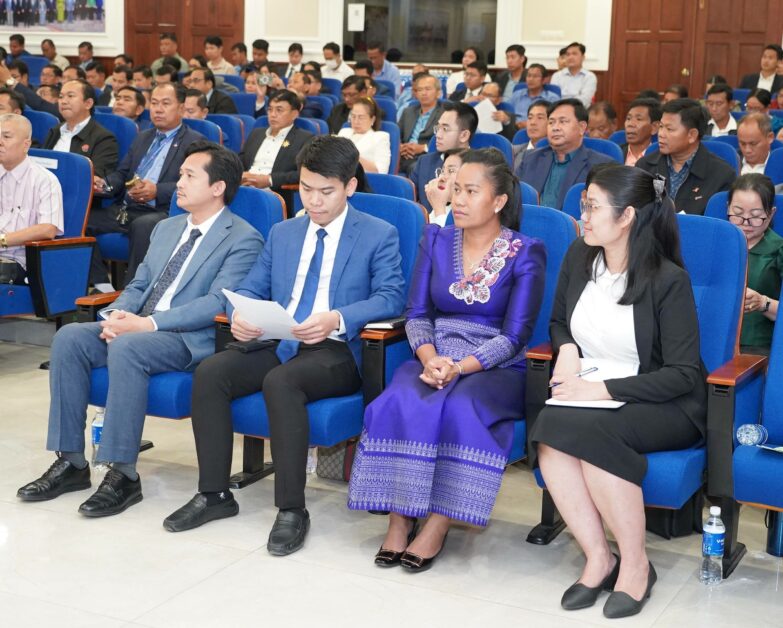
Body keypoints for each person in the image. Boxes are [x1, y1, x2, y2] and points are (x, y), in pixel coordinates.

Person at [163, 136, 406, 557]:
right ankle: (214, 494)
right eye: (306, 189)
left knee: (282, 382)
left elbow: (391, 296)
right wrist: (241, 315)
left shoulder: (377, 233)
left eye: (326, 191)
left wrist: (337, 317)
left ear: (350, 186)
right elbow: (250, 288)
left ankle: (292, 509)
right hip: (279, 339)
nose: (314, 201)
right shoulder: (283, 232)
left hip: (335, 349)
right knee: (212, 372)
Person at [16, 142, 264, 516]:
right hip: (138, 325)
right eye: (180, 174)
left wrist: (146, 324)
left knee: (128, 347)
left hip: (185, 338)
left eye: (189, 175)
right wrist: (117, 316)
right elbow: (138, 284)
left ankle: (123, 473)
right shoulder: (166, 228)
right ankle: (71, 462)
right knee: (69, 337)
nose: (178, 182)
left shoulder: (243, 238)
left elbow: (216, 302)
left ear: (218, 187)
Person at [348, 148, 546, 571]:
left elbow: (515, 336)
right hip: (434, 354)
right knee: (400, 399)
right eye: (456, 190)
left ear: (499, 200)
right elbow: (417, 313)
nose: (458, 199)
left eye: (471, 191)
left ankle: (438, 524)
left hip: (495, 365)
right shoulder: (435, 239)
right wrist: (431, 358)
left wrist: (459, 366)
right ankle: (400, 520)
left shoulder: (525, 251)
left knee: (460, 405)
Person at [529, 164, 706, 619]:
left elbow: (683, 374)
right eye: (583, 206)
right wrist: (567, 349)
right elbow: (559, 321)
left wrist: (599, 390)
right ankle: (598, 558)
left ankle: (636, 564)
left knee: (595, 433)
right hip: (594, 388)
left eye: (592, 208)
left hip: (666, 402)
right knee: (549, 428)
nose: (583, 217)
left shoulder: (667, 279)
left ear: (626, 216)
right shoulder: (580, 255)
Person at [89, 83, 204, 290]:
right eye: (155, 103)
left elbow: (196, 183)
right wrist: (105, 184)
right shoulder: (143, 137)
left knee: (143, 226)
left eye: (165, 104)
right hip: (128, 208)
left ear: (180, 108)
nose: (158, 109)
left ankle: (133, 293)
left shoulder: (194, 142)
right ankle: (102, 286)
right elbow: (122, 174)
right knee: (81, 219)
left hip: (163, 211)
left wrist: (157, 190)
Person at [635, 98, 736, 215]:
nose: (661, 134)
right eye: (661, 127)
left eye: (669, 129)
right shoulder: (644, 167)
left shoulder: (722, 175)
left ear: (692, 135)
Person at [0, 113, 63, 284]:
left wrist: (2, 240)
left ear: (26, 145)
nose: (0, 142)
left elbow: (47, 229)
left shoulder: (45, 180)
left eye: (6, 137)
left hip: (18, 262)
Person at [518, 98, 614, 209]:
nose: (555, 128)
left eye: (563, 121)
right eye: (551, 122)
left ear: (582, 127)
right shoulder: (530, 158)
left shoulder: (601, 166)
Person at [727, 174, 782, 355]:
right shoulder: (715, 245)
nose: (746, 223)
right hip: (710, 339)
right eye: (737, 214)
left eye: (756, 216)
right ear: (727, 208)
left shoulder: (778, 250)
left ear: (771, 213)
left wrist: (763, 303)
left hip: (758, 348)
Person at [43, 78, 119, 209]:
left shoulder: (104, 138)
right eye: (61, 96)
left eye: (70, 96)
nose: (63, 101)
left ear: (88, 103)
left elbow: (95, 179)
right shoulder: (54, 131)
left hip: (76, 203)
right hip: (46, 196)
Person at [239, 89, 313, 211]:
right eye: (270, 109)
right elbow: (240, 161)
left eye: (279, 110)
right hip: (244, 189)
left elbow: (304, 173)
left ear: (294, 114)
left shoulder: (305, 138)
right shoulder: (256, 134)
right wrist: (239, 175)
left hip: (276, 195)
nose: (273, 115)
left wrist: (269, 180)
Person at [410, 101, 477, 211]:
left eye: (445, 129)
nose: (438, 135)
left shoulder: (479, 167)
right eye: (438, 128)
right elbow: (411, 204)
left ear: (464, 135)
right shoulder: (424, 162)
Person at [398, 74, 445, 175]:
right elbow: (397, 135)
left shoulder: (445, 113)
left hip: (427, 157)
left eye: (428, 89)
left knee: (416, 167)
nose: (423, 93)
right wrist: (401, 147)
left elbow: (447, 140)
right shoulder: (408, 111)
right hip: (404, 155)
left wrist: (423, 148)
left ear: (438, 93)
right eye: (419, 90)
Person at [337, 97, 391, 174]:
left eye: (361, 117)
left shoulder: (380, 138)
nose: (356, 121)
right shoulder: (344, 132)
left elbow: (381, 171)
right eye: (353, 116)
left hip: (365, 178)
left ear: (372, 119)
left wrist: (354, 157)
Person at [423, 147, 466, 226]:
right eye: (442, 171)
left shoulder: (472, 213)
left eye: (451, 171)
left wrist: (439, 208)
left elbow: (446, 234)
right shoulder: (447, 208)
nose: (442, 178)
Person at [550, 42, 597, 108]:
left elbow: (585, 100)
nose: (570, 57)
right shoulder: (556, 76)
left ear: (583, 57)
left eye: (574, 54)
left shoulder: (590, 77)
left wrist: (567, 106)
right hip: (559, 110)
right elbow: (553, 98)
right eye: (568, 54)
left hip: (580, 111)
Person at [621, 98, 661, 166]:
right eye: (628, 118)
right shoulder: (615, 154)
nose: (630, 124)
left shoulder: (660, 158)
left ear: (654, 127)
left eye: (639, 119)